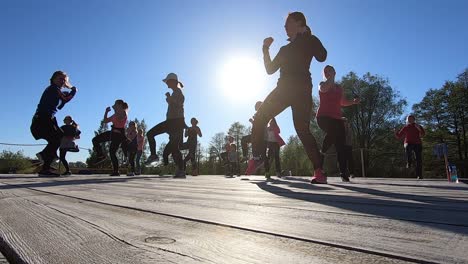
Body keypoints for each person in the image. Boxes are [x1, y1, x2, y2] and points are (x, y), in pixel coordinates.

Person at [245, 12, 328, 184]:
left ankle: (319, 170)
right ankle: (258, 156)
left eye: (288, 23)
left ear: (299, 23)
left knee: (302, 129)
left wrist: (309, 37)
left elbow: (322, 56)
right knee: (260, 117)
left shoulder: (309, 41)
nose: (284, 27)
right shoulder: (284, 49)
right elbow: (269, 70)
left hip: (302, 89)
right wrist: (265, 49)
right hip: (283, 89)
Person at [317, 65, 360, 182]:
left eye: (330, 70)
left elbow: (342, 102)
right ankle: (322, 155)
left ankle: (343, 173)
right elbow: (324, 89)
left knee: (341, 146)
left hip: (337, 119)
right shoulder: (322, 84)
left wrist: (353, 102)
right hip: (323, 117)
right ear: (324, 74)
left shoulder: (339, 88)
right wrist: (330, 78)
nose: (327, 72)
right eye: (325, 71)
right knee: (333, 132)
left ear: (334, 72)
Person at [31, 71, 77, 177]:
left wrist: (66, 92)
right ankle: (45, 161)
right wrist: (73, 90)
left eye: (64, 80)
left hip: (47, 118)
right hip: (43, 118)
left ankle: (45, 163)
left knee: (58, 137)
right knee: (56, 139)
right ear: (53, 79)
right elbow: (65, 99)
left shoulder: (56, 91)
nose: (62, 81)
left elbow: (61, 104)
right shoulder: (53, 89)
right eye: (60, 79)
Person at [146, 73, 187, 178]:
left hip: (176, 123)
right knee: (151, 134)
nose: (166, 84)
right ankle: (154, 156)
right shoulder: (174, 93)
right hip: (170, 122)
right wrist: (170, 100)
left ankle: (181, 170)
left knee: (174, 148)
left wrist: (169, 99)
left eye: (168, 82)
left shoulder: (179, 93)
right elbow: (175, 106)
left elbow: (179, 104)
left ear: (172, 81)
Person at [92, 99, 129, 176]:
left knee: (112, 152)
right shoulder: (115, 114)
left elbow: (120, 118)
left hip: (118, 135)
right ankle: (100, 155)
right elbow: (105, 121)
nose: (114, 105)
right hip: (112, 133)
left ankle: (116, 171)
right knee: (95, 140)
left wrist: (116, 109)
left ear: (119, 105)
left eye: (115, 104)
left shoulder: (123, 112)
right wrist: (106, 112)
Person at [395, 115, 425, 179]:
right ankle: (409, 162)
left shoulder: (418, 126)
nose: (410, 120)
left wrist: (419, 129)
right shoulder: (406, 127)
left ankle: (419, 175)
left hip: (417, 143)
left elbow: (423, 134)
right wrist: (395, 132)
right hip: (408, 142)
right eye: (409, 119)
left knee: (418, 160)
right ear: (407, 120)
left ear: (414, 119)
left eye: (411, 119)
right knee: (407, 147)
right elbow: (399, 136)